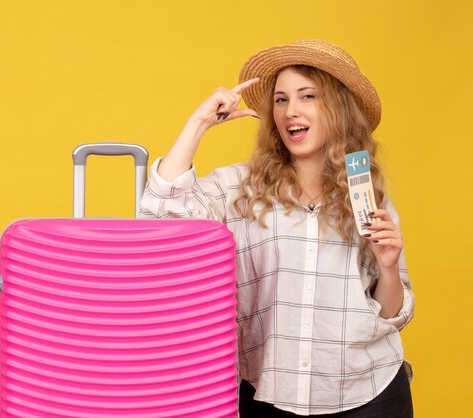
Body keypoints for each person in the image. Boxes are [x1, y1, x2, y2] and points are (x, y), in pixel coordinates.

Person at [138, 39, 414, 417]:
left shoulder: (368, 197)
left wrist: (387, 267)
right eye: (281, 100)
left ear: (338, 109)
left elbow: (391, 314)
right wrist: (199, 122)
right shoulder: (240, 189)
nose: (290, 111)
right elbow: (158, 218)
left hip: (369, 393)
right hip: (268, 394)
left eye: (307, 96)